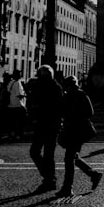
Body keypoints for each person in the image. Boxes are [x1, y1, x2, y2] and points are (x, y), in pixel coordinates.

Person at [56, 76, 103, 197]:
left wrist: (72, 117)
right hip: (79, 130)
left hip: (74, 130)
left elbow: (63, 112)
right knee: (73, 157)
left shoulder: (69, 96)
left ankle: (68, 188)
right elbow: (90, 112)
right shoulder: (82, 94)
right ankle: (93, 174)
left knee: (69, 158)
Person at [29, 65, 64, 194]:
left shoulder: (53, 88)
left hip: (47, 124)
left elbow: (58, 107)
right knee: (42, 153)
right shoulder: (55, 87)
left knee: (39, 152)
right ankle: (49, 178)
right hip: (48, 124)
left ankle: (49, 179)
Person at [6, 69, 27, 140]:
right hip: (18, 104)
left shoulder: (10, 82)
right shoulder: (18, 83)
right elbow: (19, 94)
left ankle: (11, 134)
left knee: (12, 122)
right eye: (20, 74)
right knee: (20, 121)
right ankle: (18, 135)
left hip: (11, 104)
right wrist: (25, 95)